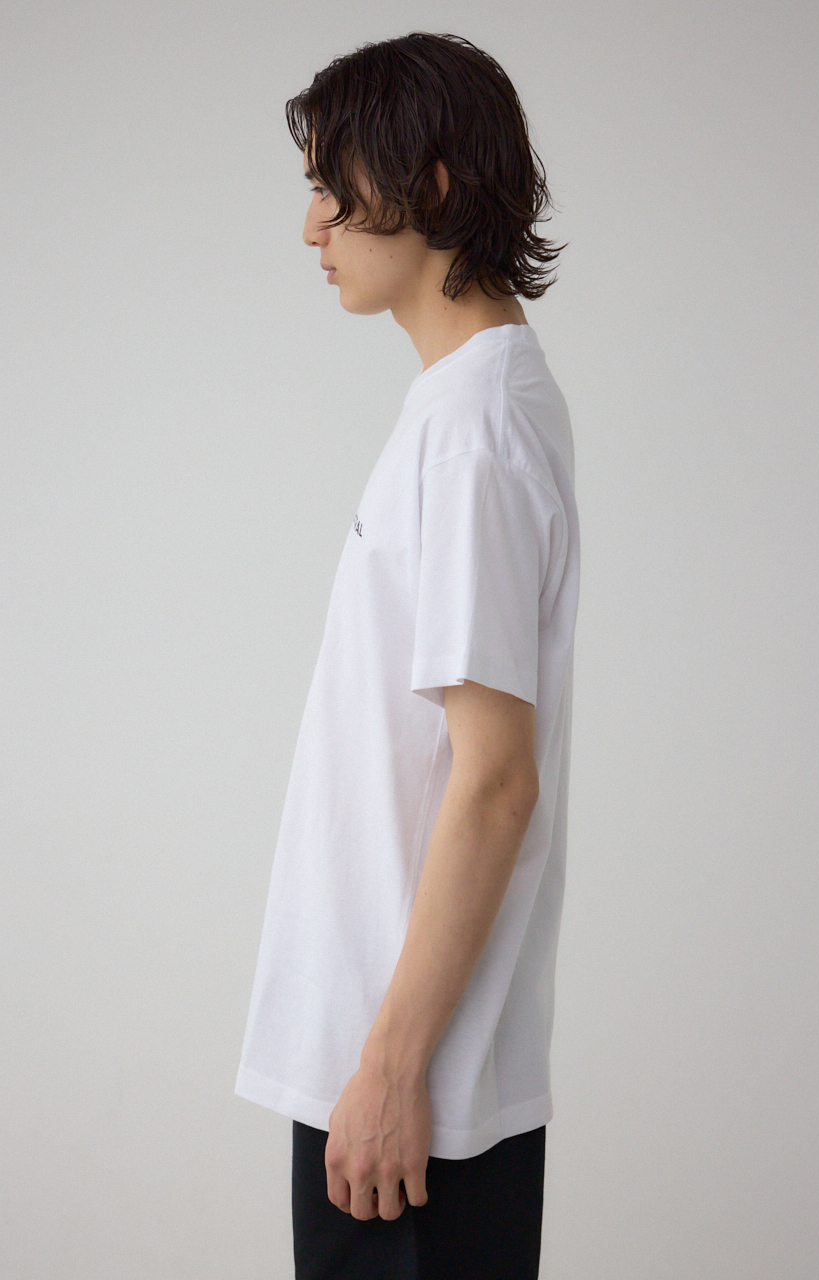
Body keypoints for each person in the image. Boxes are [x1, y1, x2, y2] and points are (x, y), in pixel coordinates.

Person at [235, 31, 580, 1280]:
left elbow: (494, 777)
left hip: (408, 1090)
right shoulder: (465, 408)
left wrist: (387, 1066)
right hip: (395, 1067)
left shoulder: (474, 431)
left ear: (427, 185)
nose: (311, 229)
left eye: (332, 192)